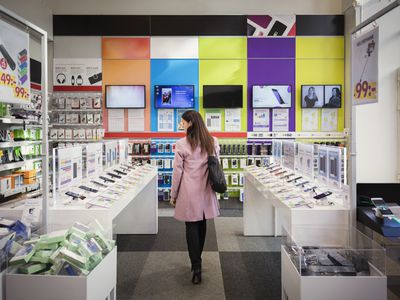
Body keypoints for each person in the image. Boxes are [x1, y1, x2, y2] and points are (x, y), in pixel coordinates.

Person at [170, 110, 220, 285]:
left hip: (188, 192)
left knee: (191, 226)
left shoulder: (181, 144)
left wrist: (173, 194)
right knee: (202, 223)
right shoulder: (212, 141)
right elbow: (216, 167)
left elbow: (177, 172)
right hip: (206, 190)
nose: (181, 124)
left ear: (190, 123)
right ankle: (198, 259)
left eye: (183, 121)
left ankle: (196, 265)